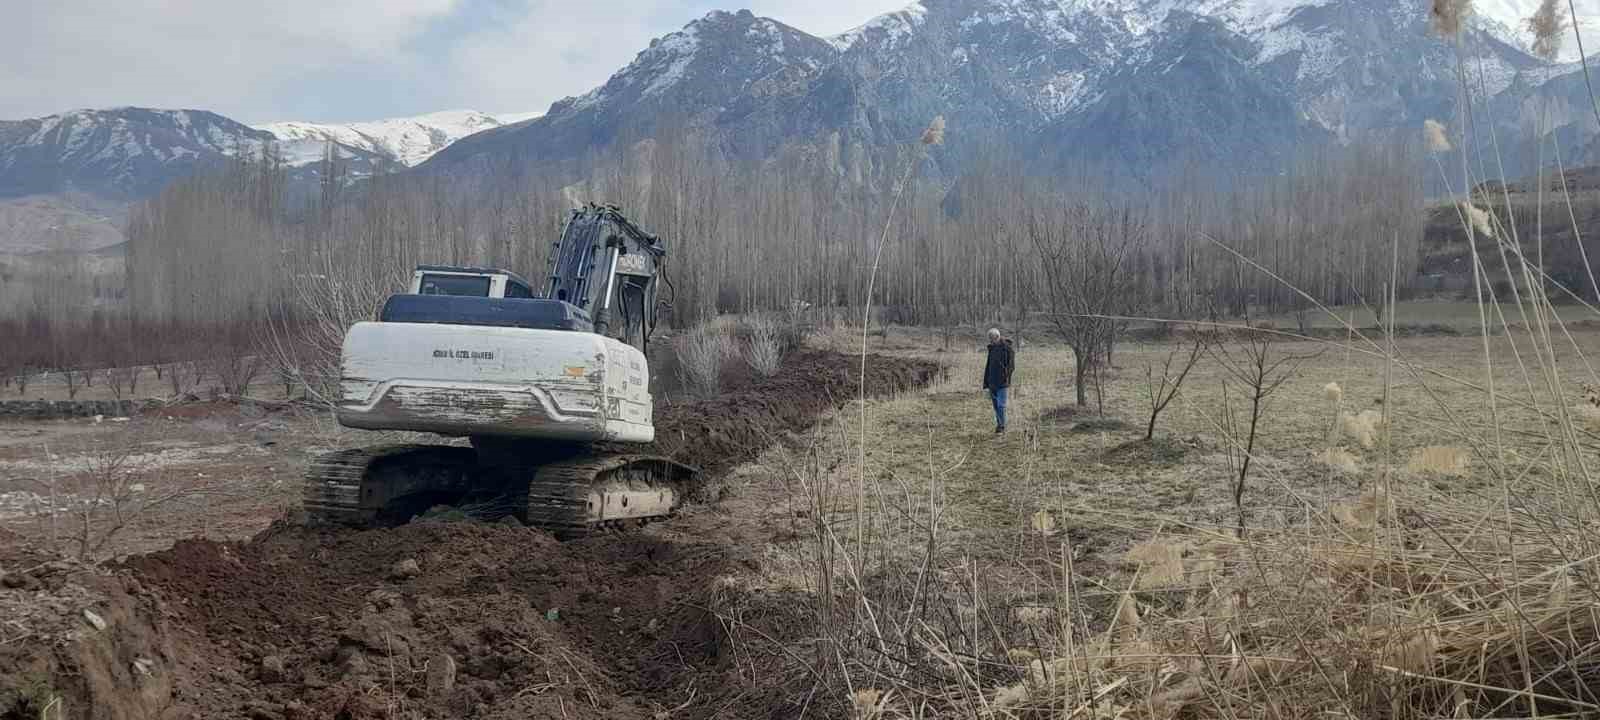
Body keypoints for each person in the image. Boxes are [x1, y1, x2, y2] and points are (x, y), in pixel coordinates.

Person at [982, 328, 1014, 433]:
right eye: (989, 339)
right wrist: (986, 381)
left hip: (1002, 383)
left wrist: (1005, 376)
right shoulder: (991, 349)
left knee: (1001, 406)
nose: (990, 341)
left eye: (992, 339)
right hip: (992, 382)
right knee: (996, 406)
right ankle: (999, 425)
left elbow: (1011, 366)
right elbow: (988, 366)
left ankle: (1002, 426)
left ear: (997, 337)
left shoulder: (1007, 348)